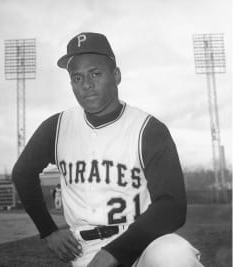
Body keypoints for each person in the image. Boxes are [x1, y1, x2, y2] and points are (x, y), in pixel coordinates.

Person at [12, 32, 203, 267]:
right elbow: (22, 173)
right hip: (85, 249)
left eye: (95, 73)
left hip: (144, 243)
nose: (87, 85)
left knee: (174, 255)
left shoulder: (147, 129)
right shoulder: (58, 127)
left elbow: (172, 205)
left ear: (116, 75)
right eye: (77, 78)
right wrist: (48, 230)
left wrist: (115, 252)